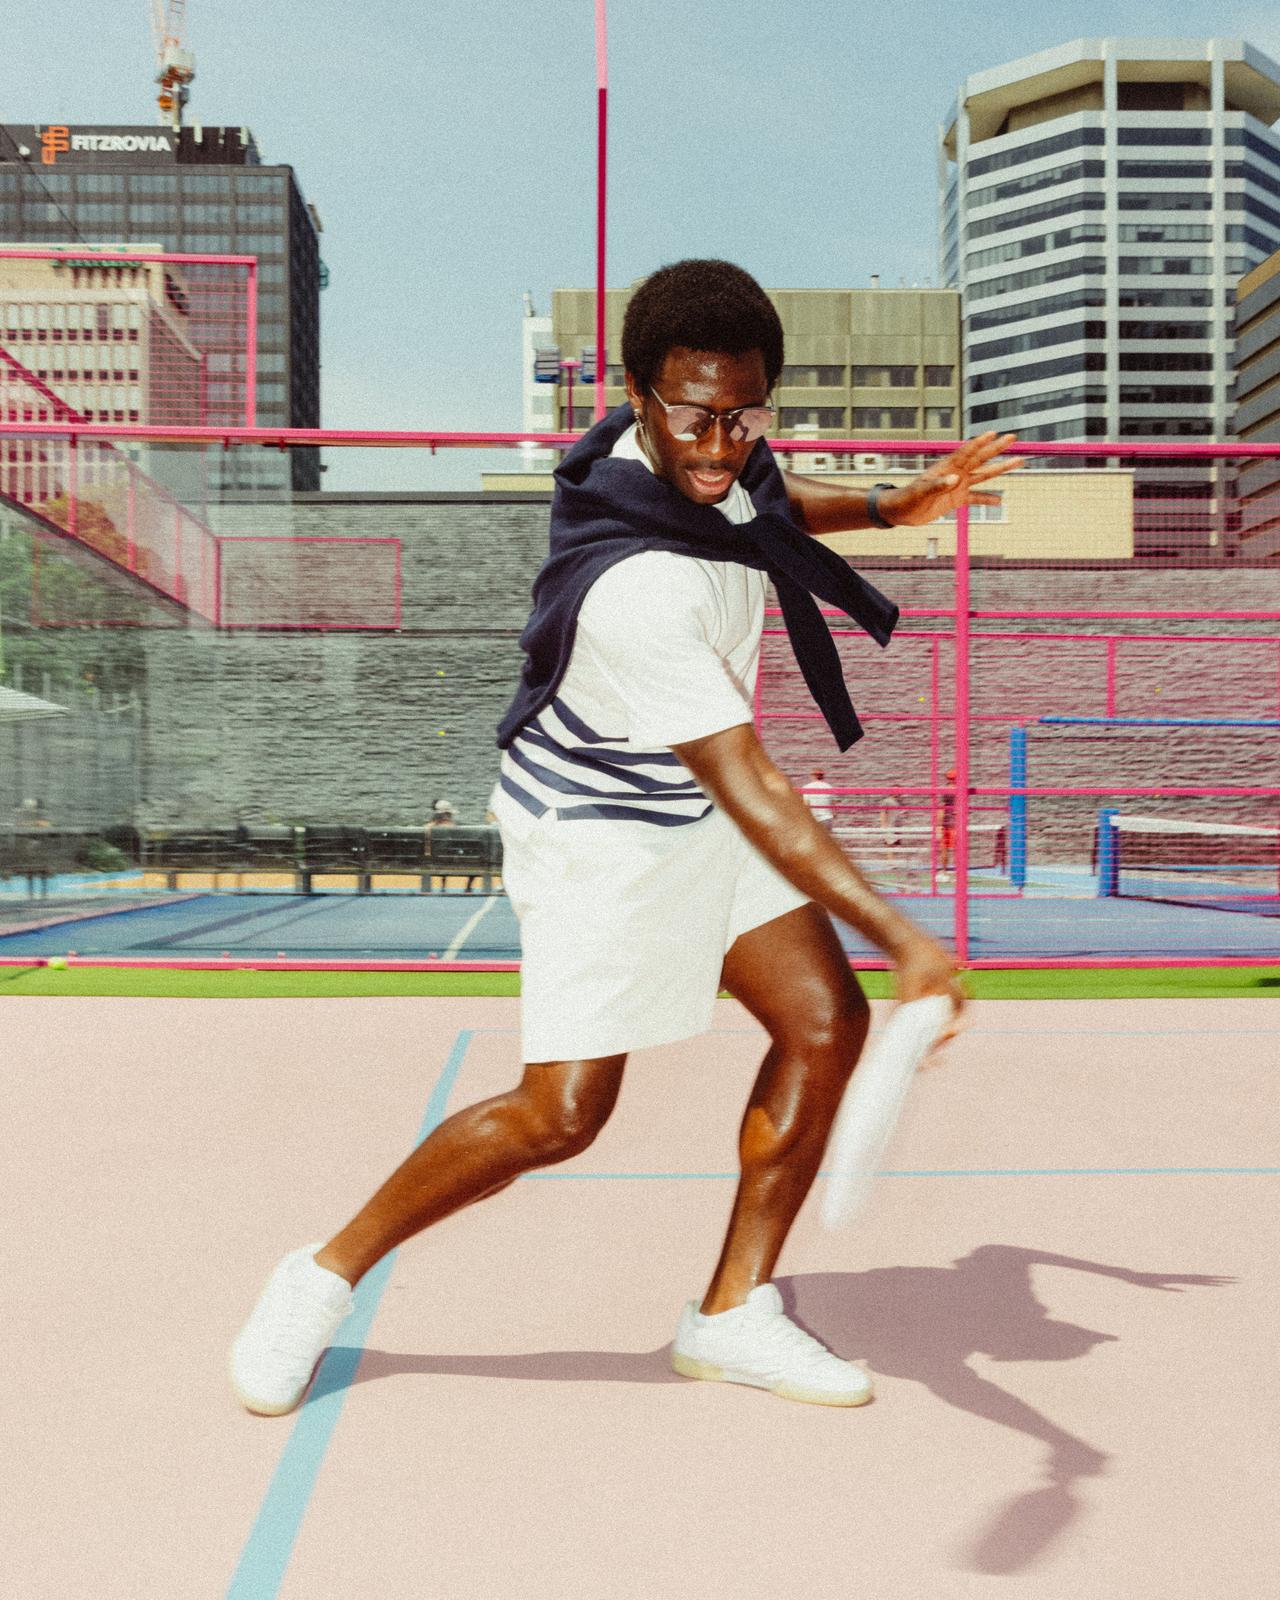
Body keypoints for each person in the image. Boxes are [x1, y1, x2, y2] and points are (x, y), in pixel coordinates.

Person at [230, 259, 1021, 1416]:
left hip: (689, 801)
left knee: (820, 1020)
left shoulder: (707, 467)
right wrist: (900, 931)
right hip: (602, 832)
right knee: (558, 1115)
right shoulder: (634, 587)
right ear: (638, 394)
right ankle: (318, 1273)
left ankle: (729, 1312)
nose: (721, 443)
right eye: (695, 414)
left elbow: (771, 508)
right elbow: (753, 785)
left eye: (745, 414)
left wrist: (893, 507)